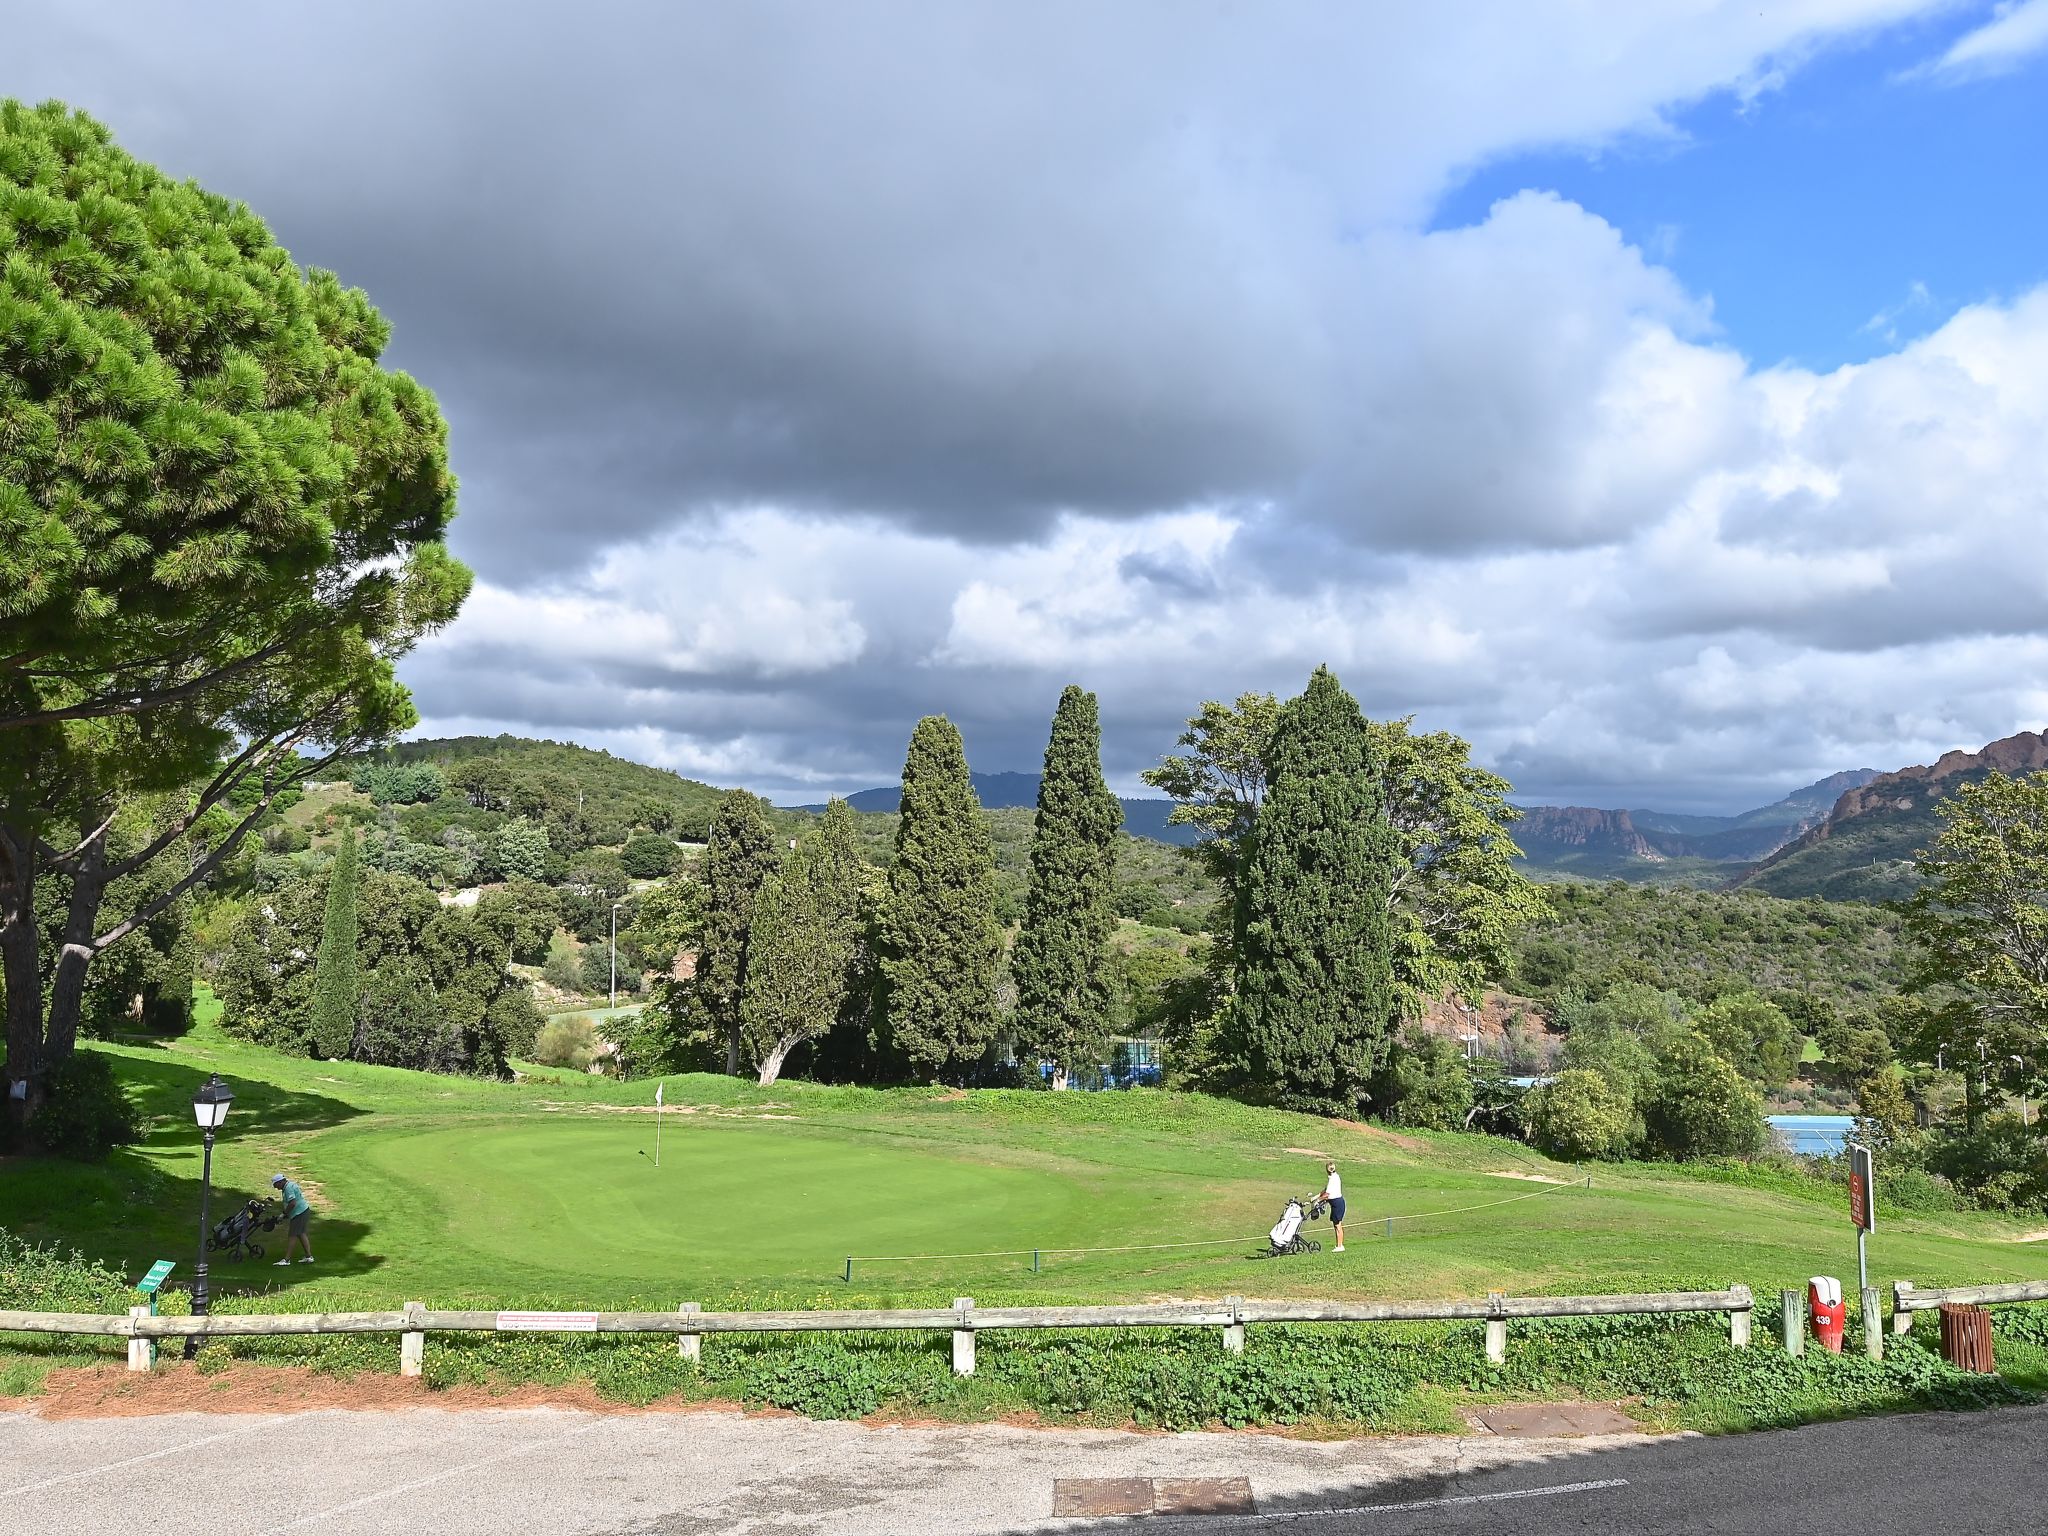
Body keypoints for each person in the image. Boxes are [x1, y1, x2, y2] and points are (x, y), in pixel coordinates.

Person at [272, 1173, 314, 1265]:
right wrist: (286, 1214)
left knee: (292, 1235)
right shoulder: (289, 1185)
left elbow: (292, 1203)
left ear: (281, 1182)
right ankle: (308, 1256)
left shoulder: (288, 1188)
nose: (276, 1188)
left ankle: (287, 1260)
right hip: (302, 1211)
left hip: (299, 1213)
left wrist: (283, 1214)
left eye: (276, 1185)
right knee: (301, 1233)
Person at [1321, 1161, 1346, 1253]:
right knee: (1336, 1225)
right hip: (1337, 1202)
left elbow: (1327, 1194)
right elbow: (1325, 1190)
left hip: (1337, 1203)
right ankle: (1339, 1245)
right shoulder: (1335, 1177)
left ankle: (1340, 1246)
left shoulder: (1332, 1179)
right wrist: (1316, 1197)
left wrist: (1318, 1200)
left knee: (1337, 1225)